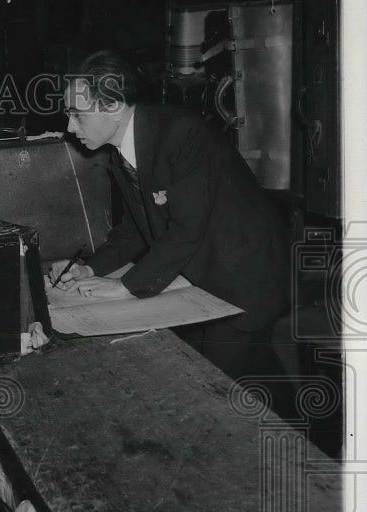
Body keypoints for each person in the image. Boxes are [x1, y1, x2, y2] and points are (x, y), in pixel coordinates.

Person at [51, 49, 291, 382]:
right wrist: (90, 267)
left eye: (78, 114)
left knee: (220, 387)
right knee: (220, 374)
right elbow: (135, 228)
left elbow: (186, 230)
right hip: (205, 276)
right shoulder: (121, 152)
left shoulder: (180, 134)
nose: (69, 126)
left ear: (115, 105)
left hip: (246, 278)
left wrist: (125, 285)